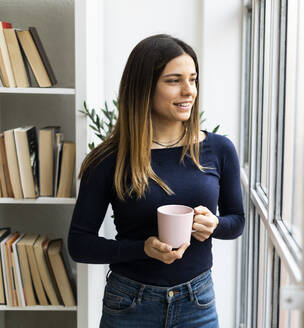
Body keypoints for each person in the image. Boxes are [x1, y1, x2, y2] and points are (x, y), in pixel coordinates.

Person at [68, 34, 244, 328]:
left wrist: (214, 225)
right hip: (129, 304)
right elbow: (80, 244)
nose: (189, 91)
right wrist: (142, 249)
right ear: (144, 88)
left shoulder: (219, 149)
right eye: (174, 80)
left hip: (197, 303)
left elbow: (236, 221)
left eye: (193, 79)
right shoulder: (109, 159)